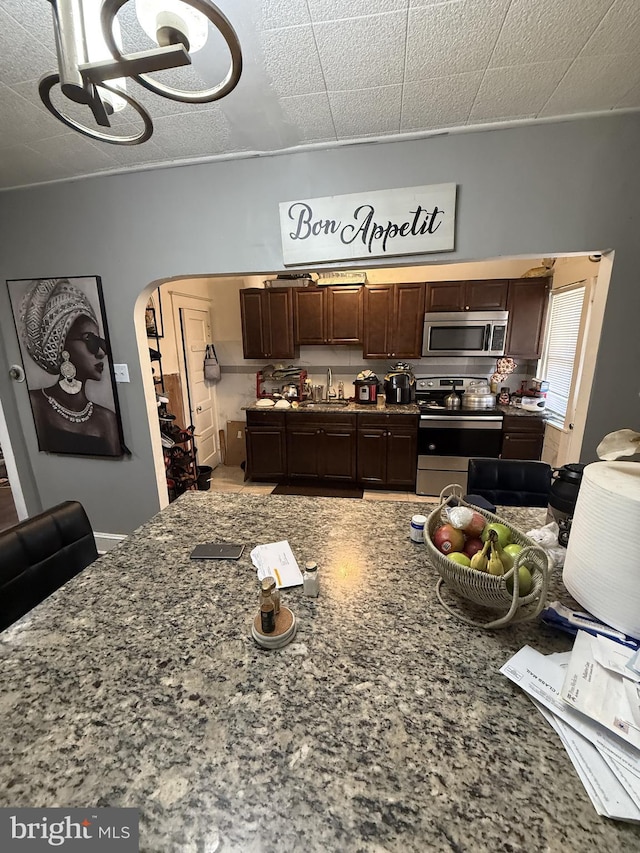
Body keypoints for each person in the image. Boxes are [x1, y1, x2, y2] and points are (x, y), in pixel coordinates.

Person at [20, 278, 122, 456]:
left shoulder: (106, 418)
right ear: (62, 345)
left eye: (101, 343)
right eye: (89, 340)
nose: (100, 353)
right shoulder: (35, 403)